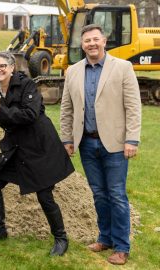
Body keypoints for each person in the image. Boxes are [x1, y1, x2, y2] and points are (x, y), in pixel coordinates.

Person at [0, 51, 74, 256]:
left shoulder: (27, 86)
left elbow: (30, 115)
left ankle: (61, 238)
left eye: (2, 66)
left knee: (44, 194)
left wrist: (1, 112)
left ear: (11, 68)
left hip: (39, 147)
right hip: (17, 148)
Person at [60, 24, 141, 265]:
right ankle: (104, 238)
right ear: (82, 44)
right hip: (86, 143)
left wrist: (131, 139)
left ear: (104, 41)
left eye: (96, 39)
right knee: (98, 194)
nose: (92, 44)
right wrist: (67, 138)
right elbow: (66, 109)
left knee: (116, 194)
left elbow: (133, 107)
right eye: (87, 41)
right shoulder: (73, 71)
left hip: (115, 144)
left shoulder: (123, 67)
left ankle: (121, 246)